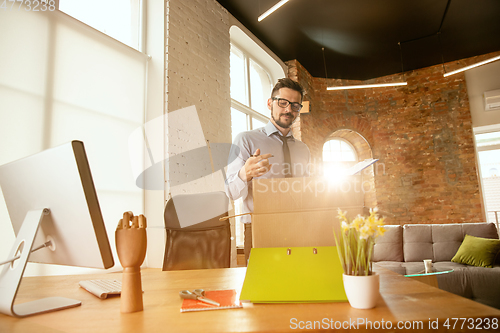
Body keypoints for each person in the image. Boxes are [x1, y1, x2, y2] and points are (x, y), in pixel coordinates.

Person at [225, 78, 311, 263]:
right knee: (260, 287)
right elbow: (230, 192)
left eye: (295, 106)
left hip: (298, 227)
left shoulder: (303, 149)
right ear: (270, 103)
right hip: (259, 227)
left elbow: (307, 191)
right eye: (283, 103)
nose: (288, 109)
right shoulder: (246, 140)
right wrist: (245, 174)